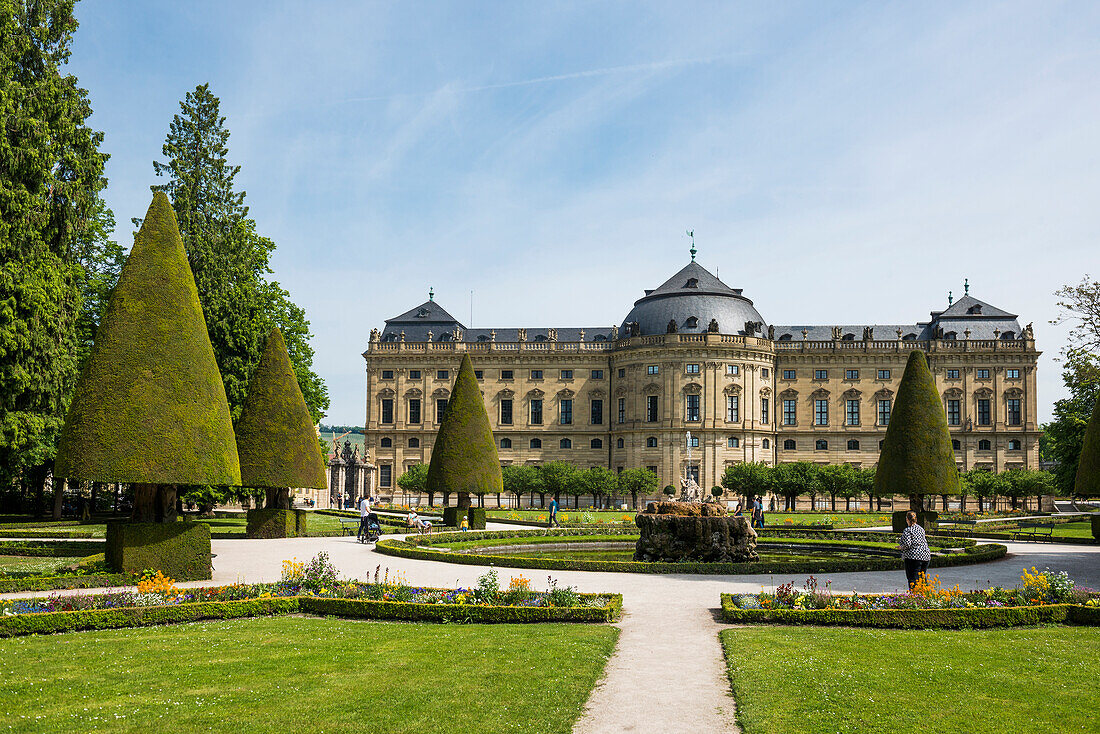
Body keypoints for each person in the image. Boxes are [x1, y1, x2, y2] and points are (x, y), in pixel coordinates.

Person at [898, 510, 932, 591]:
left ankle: (915, 597)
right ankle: (926, 595)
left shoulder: (908, 530)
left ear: (907, 519)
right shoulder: (921, 529)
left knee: (912, 578)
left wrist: (900, 547)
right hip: (925, 556)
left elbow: (907, 544)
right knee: (922, 578)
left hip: (914, 557)